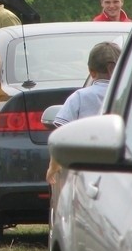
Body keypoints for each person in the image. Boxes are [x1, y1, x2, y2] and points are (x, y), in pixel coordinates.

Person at [45, 41, 122, 184]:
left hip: (85, 175)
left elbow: (61, 139)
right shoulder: (131, 96)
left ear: (91, 71)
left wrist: (53, 167)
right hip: (124, 170)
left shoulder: (79, 97)